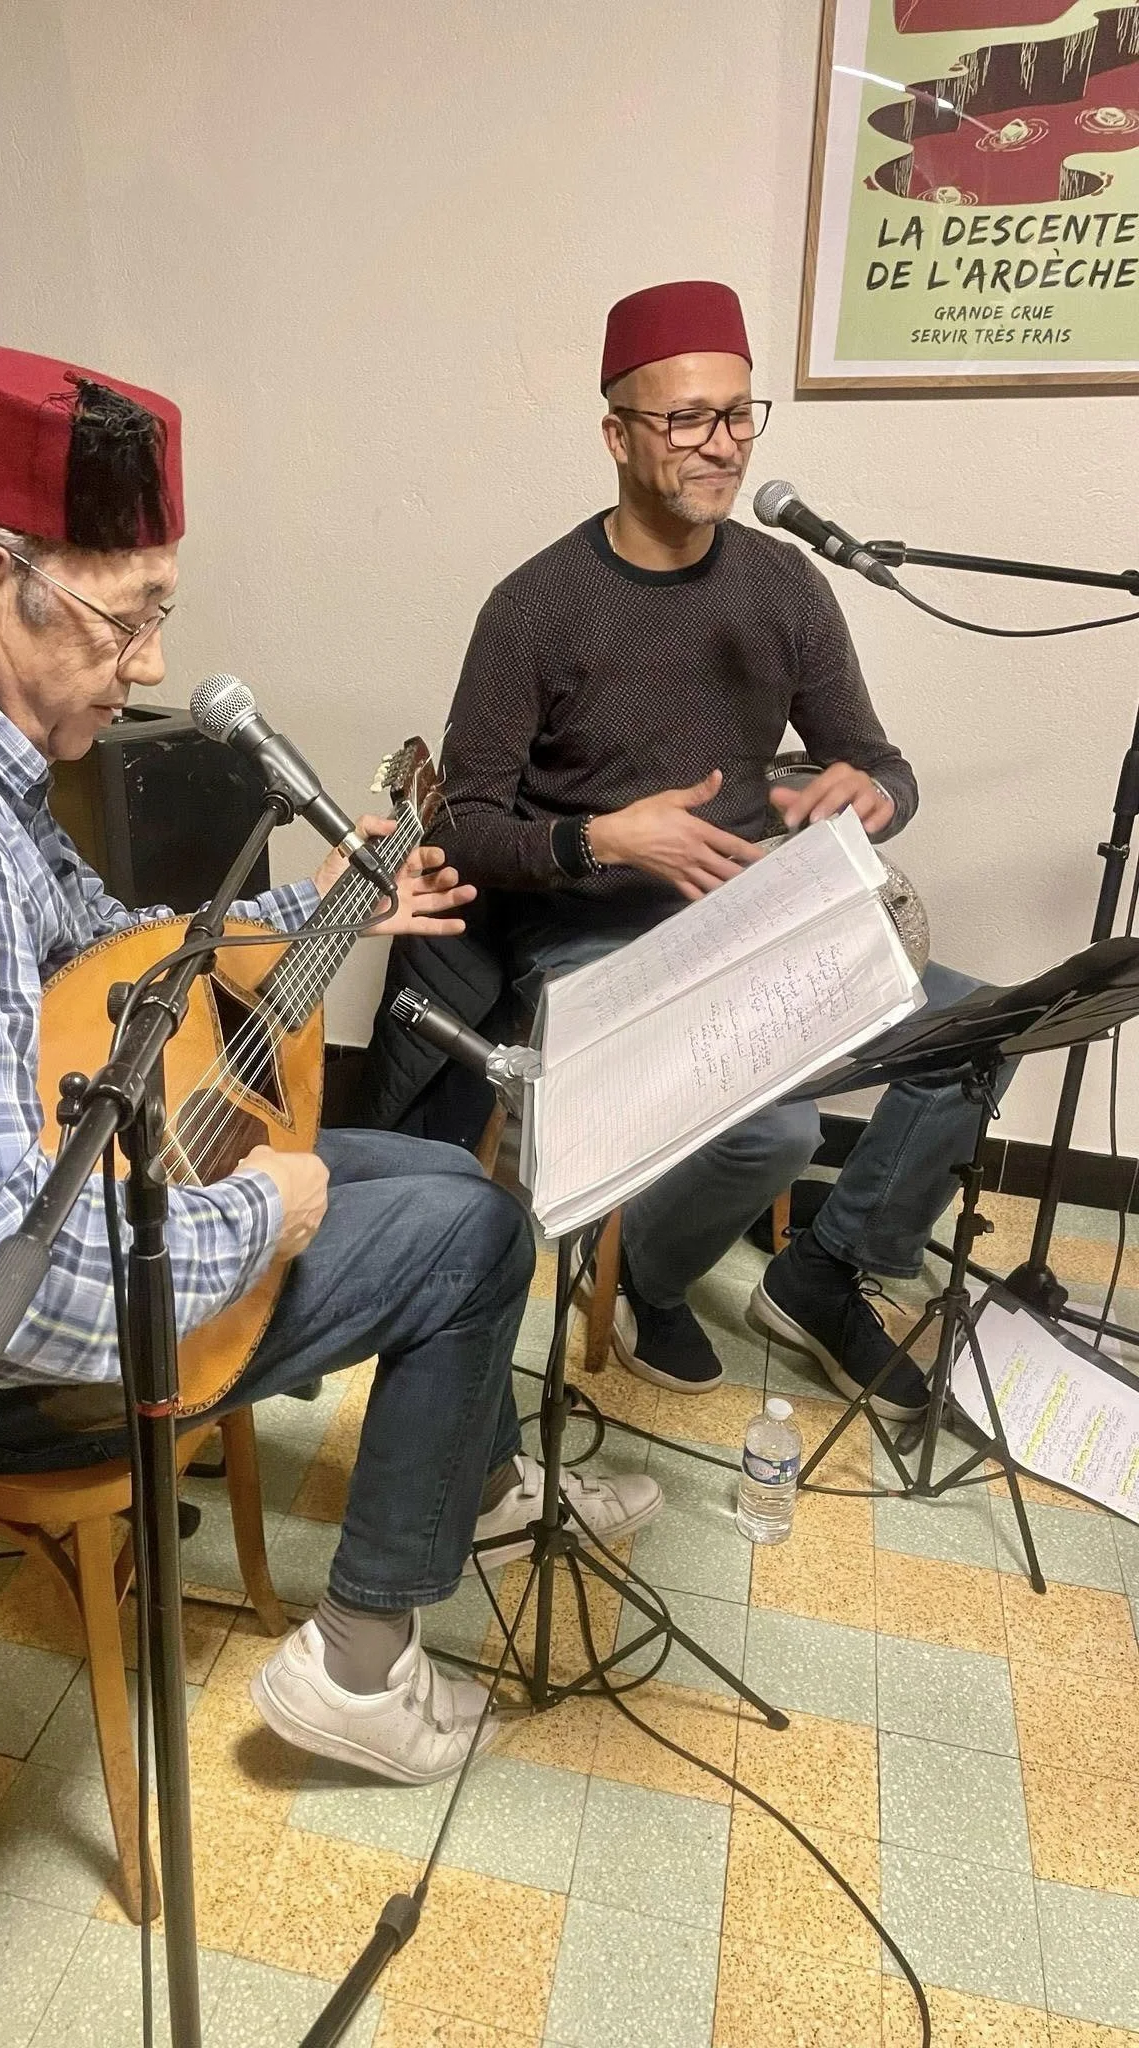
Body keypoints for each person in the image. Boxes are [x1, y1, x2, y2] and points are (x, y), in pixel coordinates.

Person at [0, 341, 660, 1787]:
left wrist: (308, 910)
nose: (150, 668)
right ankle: (361, 1672)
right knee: (475, 1230)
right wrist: (269, 1212)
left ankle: (476, 1481)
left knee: (438, 1172)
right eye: (127, 623)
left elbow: (103, 942)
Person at [437, 279, 995, 1423]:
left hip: (760, 921)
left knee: (983, 1029)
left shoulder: (783, 581)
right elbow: (462, 824)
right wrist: (599, 836)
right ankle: (646, 1274)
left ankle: (823, 1272)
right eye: (688, 418)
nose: (722, 445)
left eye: (740, 414)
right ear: (617, 434)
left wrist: (872, 795)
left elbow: (884, 762)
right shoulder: (535, 607)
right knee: (778, 1122)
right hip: (595, 942)